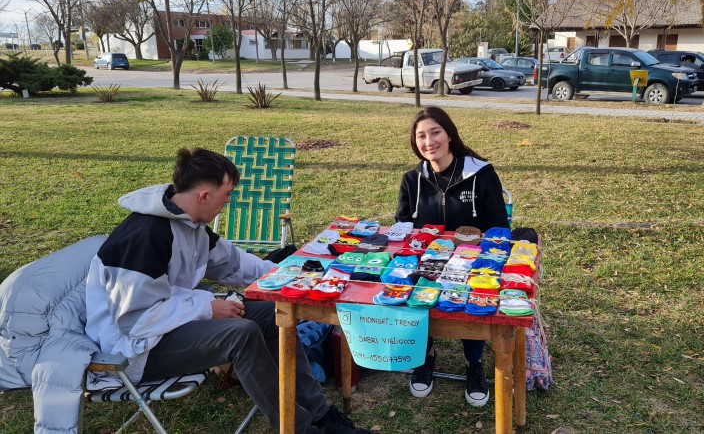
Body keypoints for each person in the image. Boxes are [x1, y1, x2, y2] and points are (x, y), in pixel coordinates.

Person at [85, 148, 371, 434]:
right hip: (134, 350)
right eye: (227, 194)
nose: (228, 202)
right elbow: (136, 319)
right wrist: (208, 308)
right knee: (241, 334)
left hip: (168, 325)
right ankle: (301, 429)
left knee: (274, 315)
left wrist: (287, 276)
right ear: (204, 195)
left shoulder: (190, 223)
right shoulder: (144, 236)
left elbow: (233, 263)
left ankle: (321, 415)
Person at [395, 107, 509, 407]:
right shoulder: (411, 180)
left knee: (473, 294)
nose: (429, 141)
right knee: (411, 288)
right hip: (426, 262)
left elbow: (499, 227)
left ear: (449, 135)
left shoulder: (481, 174)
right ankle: (425, 355)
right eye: (421, 136)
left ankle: (474, 362)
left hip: (473, 261)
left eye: (435, 132)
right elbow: (403, 228)